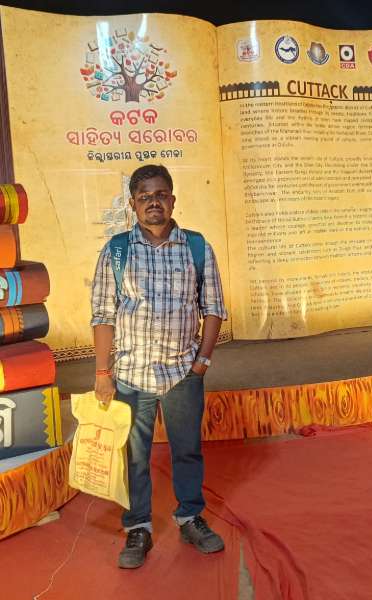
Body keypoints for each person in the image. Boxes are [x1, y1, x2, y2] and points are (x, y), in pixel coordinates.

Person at [91, 164, 228, 569]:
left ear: (173, 199)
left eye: (161, 194)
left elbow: (214, 308)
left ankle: (190, 517)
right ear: (133, 204)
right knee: (135, 457)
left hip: (183, 373)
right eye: (145, 196)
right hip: (132, 376)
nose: (154, 202)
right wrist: (103, 374)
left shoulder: (196, 247)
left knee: (187, 450)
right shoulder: (117, 251)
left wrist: (201, 362)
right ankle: (138, 527)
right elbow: (103, 315)